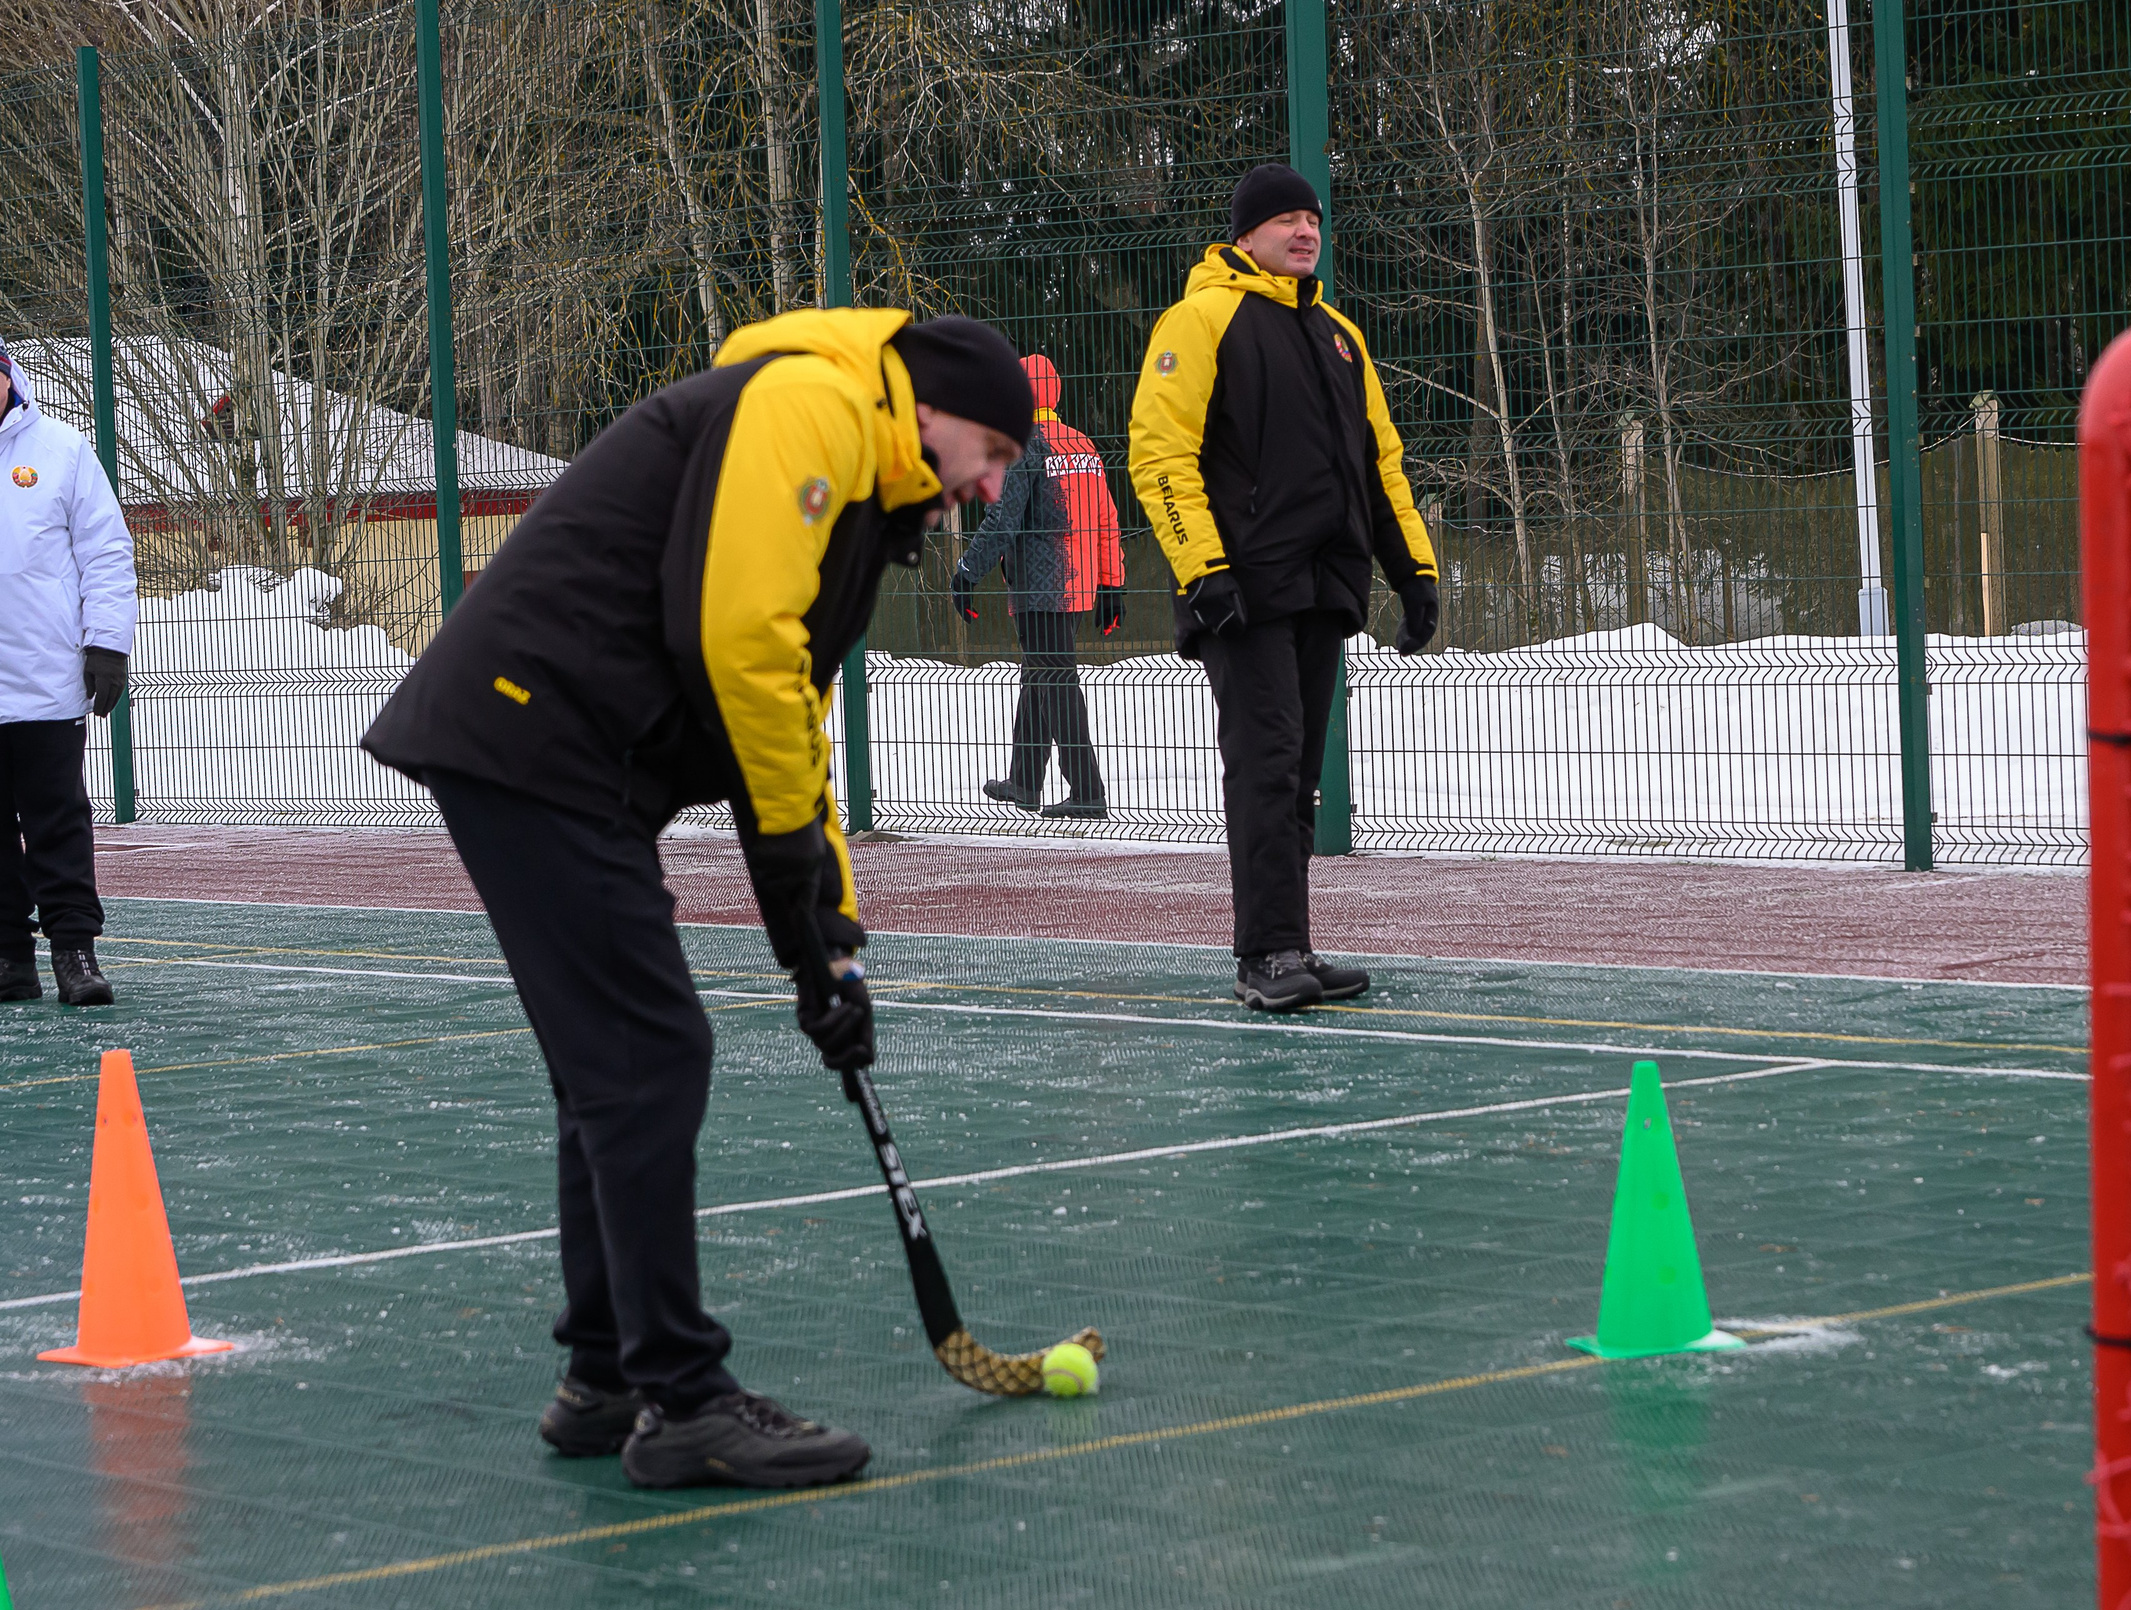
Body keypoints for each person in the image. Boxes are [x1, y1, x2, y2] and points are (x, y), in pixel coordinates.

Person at [362, 309, 1030, 1490]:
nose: (982, 490)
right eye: (988, 454)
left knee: (612, 1063)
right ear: (931, 413)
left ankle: (608, 1374)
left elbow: (796, 714)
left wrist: (831, 937)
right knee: (646, 1053)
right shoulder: (811, 406)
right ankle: (680, 1399)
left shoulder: (856, 474)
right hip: (536, 739)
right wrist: (787, 885)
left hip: (555, 753)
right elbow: (737, 642)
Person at [1127, 164, 1439, 1012]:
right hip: (1243, 591)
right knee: (1265, 768)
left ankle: (1290, 943)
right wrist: (1205, 569)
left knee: (1296, 773)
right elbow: (1159, 456)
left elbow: (1380, 464)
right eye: (1288, 219)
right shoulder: (1199, 320)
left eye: (1314, 218)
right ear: (1246, 234)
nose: (1306, 231)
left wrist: (1414, 572)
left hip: (1321, 588)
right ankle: (1263, 953)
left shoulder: (1338, 334)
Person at [0, 338, 134, 1008]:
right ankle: (6, 958)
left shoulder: (61, 450)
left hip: (44, 682)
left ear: (6, 375)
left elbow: (106, 550)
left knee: (57, 821)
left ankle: (74, 950)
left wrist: (106, 644)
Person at [951, 353, 1126, 820]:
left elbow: (1002, 518)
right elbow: (1106, 520)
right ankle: (1026, 781)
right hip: (1081, 582)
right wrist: (1112, 583)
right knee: (1041, 673)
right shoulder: (1081, 445)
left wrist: (968, 570)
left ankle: (1087, 790)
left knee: (1055, 680)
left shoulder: (1023, 445)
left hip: (1041, 587)